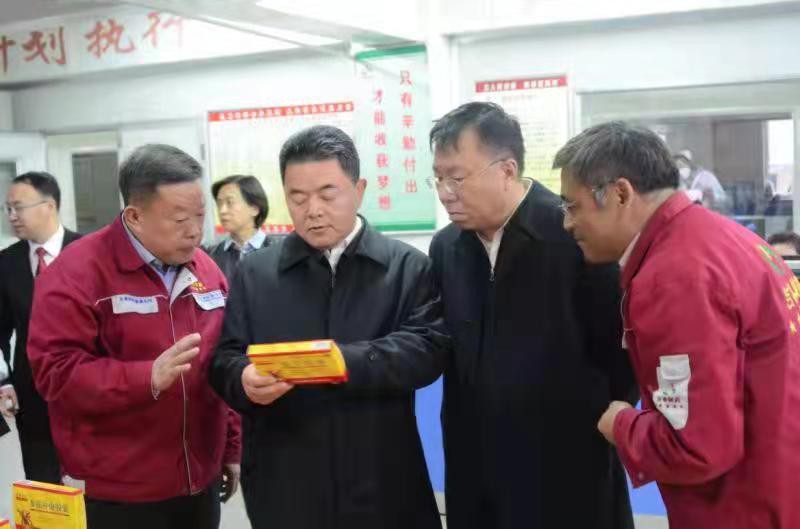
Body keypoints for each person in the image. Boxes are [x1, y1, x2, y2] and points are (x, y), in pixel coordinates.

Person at [555, 121, 800, 529]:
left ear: (620, 194)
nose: (567, 224)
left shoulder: (674, 277)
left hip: (740, 507)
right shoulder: (728, 240)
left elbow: (696, 446)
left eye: (572, 206)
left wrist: (621, 423)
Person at [210, 125, 448, 529]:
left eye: (327, 194)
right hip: (286, 481)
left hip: (382, 478)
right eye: (297, 197)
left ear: (359, 190)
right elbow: (224, 358)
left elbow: (427, 351)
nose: (313, 210)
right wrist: (242, 379)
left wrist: (337, 361)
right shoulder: (256, 273)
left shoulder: (406, 267)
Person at [428, 102, 636, 529]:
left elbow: (620, 350)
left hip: (564, 463)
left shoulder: (573, 232)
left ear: (506, 170)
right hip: (475, 464)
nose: (445, 192)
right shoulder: (447, 247)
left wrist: (601, 421)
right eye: (438, 178)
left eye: (457, 178)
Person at [27, 144, 241, 529]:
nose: (195, 230)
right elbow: (55, 373)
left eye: (200, 215)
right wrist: (147, 378)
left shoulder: (207, 270)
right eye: (180, 219)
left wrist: (231, 447)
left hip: (199, 483)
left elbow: (223, 360)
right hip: (120, 491)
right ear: (135, 216)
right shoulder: (76, 273)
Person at [0, 171, 81, 483]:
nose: (11, 216)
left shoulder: (89, 252)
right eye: (7, 209)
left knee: (96, 488)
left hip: (87, 391)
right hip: (30, 394)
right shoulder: (7, 263)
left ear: (49, 206)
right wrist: (4, 381)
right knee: (43, 486)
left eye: (18, 207)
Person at [207, 174, 271, 283]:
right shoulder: (212, 255)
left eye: (230, 202)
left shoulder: (278, 252)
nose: (222, 210)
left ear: (254, 209)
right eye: (219, 204)